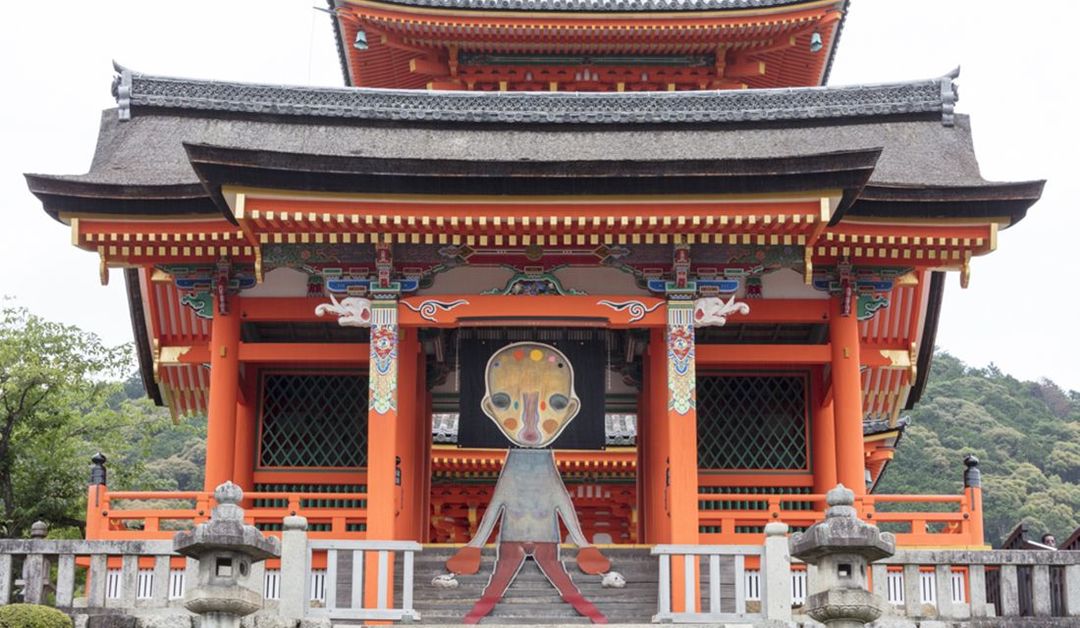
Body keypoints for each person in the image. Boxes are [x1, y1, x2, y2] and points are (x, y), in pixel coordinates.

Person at [446, 342, 609, 624]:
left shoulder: (547, 464)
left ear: (571, 410)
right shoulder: (513, 464)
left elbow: (562, 503)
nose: (529, 421)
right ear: (487, 406)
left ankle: (592, 614)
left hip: (545, 534)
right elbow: (497, 505)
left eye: (555, 403)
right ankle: (474, 617)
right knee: (499, 582)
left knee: (561, 580)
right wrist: (475, 544)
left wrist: (583, 544)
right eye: (503, 402)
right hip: (513, 534)